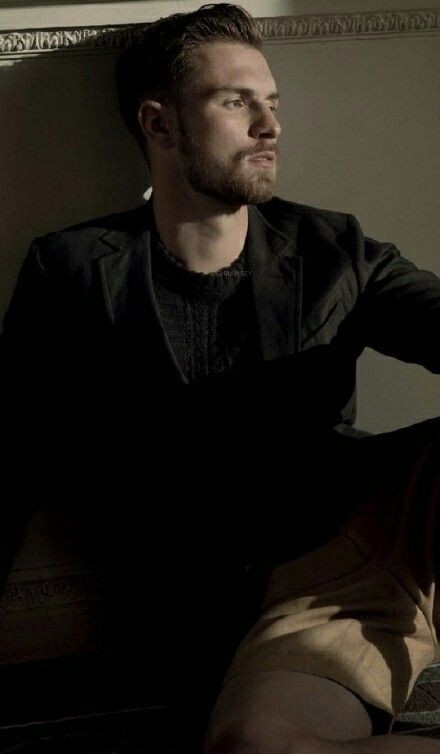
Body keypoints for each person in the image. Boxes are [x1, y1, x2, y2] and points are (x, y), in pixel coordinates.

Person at [2, 4, 440, 753]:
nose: (271, 126)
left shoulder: (332, 247)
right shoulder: (71, 272)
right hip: (291, 600)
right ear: (160, 124)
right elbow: (9, 453)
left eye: (272, 102)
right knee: (260, 749)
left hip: (379, 517)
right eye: (238, 102)